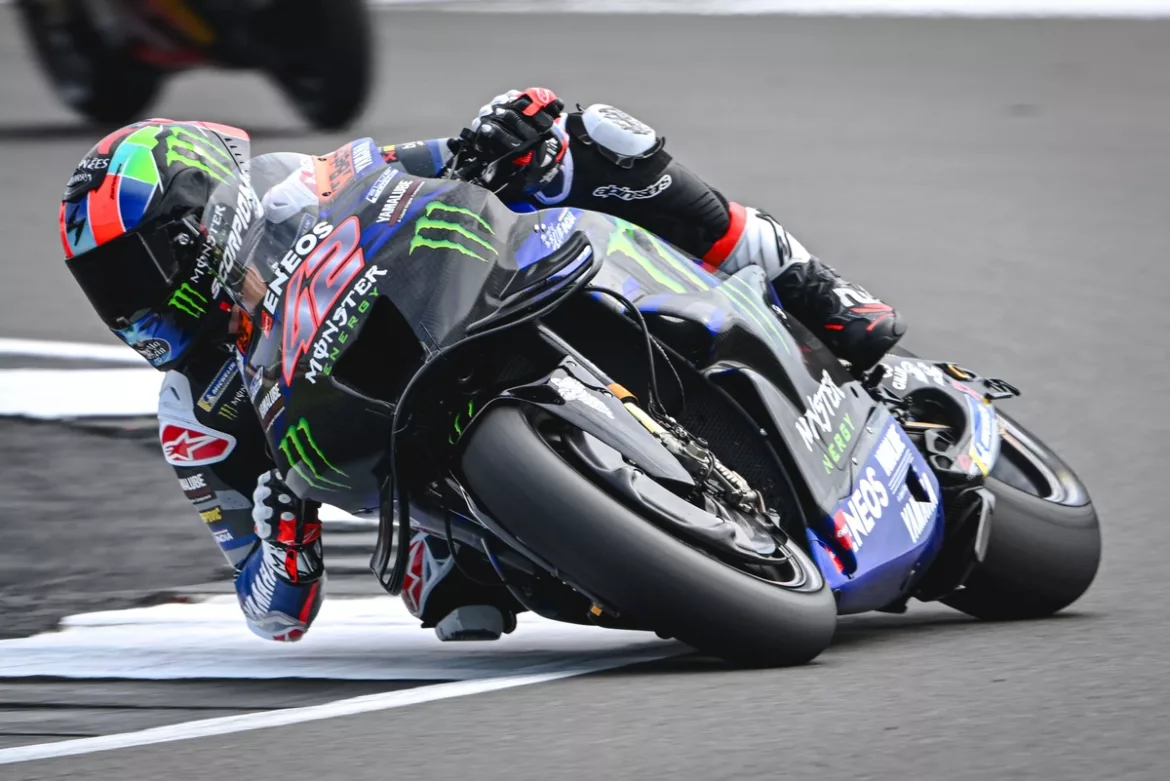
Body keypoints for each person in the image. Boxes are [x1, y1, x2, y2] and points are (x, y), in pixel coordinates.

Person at [59, 88, 904, 644]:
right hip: (430, 497)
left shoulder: (311, 186)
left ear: (202, 215)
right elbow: (268, 611)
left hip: (486, 300)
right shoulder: (194, 411)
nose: (131, 302)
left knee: (591, 140)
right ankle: (658, 553)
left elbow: (458, 155)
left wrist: (511, 133)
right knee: (452, 602)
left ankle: (812, 285)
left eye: (136, 269)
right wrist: (283, 549)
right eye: (108, 288)